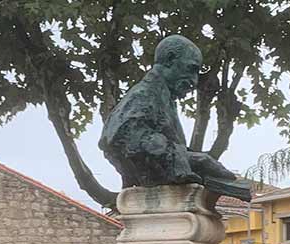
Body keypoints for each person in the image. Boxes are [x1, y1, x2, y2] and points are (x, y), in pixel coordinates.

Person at [99, 35, 249, 199]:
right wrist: (193, 160)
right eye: (191, 69)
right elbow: (123, 140)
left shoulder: (161, 97)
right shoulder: (143, 96)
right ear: (170, 59)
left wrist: (194, 159)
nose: (194, 80)